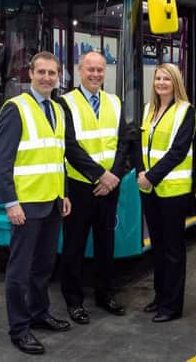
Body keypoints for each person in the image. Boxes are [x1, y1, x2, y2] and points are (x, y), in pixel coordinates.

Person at [0, 51, 103, 355]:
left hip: (53, 202)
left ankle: (39, 313)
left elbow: (58, 157)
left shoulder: (57, 108)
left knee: (43, 266)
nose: (46, 78)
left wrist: (65, 193)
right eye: (40, 72)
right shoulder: (16, 108)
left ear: (59, 76)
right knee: (19, 270)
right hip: (26, 204)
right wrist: (10, 202)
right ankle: (19, 328)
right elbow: (2, 161)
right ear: (30, 74)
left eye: (51, 73)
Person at [59, 50, 127, 325]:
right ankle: (74, 302)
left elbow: (124, 142)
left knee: (105, 244)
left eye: (100, 69)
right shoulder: (64, 103)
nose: (96, 74)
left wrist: (113, 177)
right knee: (74, 246)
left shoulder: (114, 102)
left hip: (109, 188)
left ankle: (105, 294)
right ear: (79, 70)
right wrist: (100, 175)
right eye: (90, 69)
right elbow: (69, 145)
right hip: (79, 187)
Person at [136, 64, 196, 323]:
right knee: (158, 247)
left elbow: (178, 151)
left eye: (166, 79)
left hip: (173, 190)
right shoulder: (149, 109)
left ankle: (172, 306)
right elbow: (139, 145)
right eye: (158, 78)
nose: (161, 83)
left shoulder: (186, 111)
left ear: (176, 83)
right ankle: (160, 297)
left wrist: (150, 176)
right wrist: (141, 172)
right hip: (149, 189)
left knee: (173, 249)